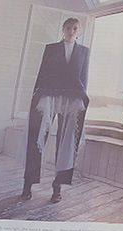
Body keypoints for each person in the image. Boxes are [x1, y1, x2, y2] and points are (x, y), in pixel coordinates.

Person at [21, 17, 90, 203]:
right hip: (49, 96)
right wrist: (36, 95)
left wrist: (83, 97)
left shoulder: (84, 51)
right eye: (68, 28)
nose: (71, 31)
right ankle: (27, 185)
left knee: (66, 142)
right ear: (63, 29)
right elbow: (42, 72)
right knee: (36, 137)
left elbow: (84, 77)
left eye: (75, 28)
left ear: (79, 31)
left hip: (72, 99)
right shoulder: (51, 48)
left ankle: (57, 187)